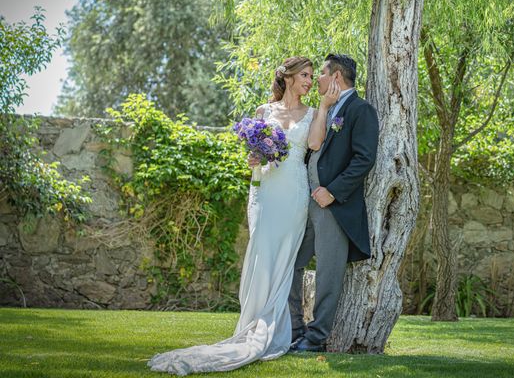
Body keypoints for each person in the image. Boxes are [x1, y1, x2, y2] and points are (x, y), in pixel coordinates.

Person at [148, 56, 340, 375]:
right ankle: (253, 321)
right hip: (264, 190)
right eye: (304, 75)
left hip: (293, 192)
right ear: (288, 77)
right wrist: (254, 156)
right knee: (262, 253)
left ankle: (274, 327)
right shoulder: (264, 111)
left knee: (284, 258)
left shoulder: (312, 112)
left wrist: (323, 106)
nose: (310, 80)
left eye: (311, 76)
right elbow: (257, 153)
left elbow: (316, 142)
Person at [289, 53, 379, 353]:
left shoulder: (360, 110)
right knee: (291, 263)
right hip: (307, 202)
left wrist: (333, 191)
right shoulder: (324, 109)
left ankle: (316, 338)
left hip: (333, 207)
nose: (317, 80)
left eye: (322, 74)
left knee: (328, 273)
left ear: (337, 77)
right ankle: (294, 329)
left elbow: (364, 158)